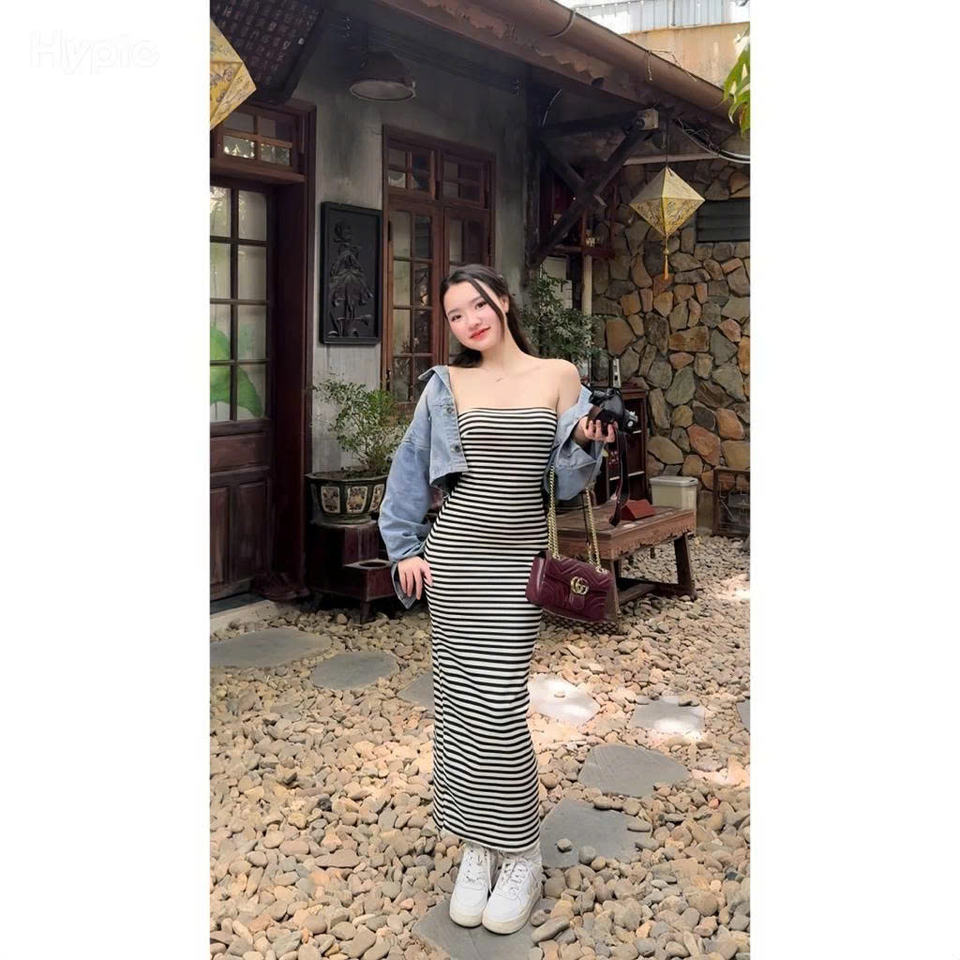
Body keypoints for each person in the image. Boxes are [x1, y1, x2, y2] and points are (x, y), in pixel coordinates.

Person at [377, 264, 617, 934]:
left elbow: (565, 483)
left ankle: (521, 853)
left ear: (503, 302)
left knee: (500, 706)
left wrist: (588, 444)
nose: (468, 322)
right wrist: (404, 547)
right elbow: (408, 465)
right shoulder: (446, 385)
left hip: (515, 566)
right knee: (459, 708)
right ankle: (477, 847)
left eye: (477, 306)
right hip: (454, 560)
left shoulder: (558, 375)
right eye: (454, 315)